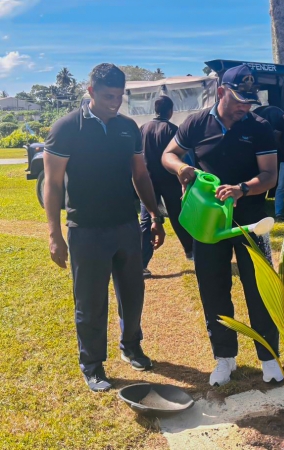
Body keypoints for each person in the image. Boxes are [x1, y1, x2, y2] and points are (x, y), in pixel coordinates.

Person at [43, 63, 165, 392]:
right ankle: (93, 364)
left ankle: (131, 346)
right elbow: (52, 184)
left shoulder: (128, 127)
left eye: (119, 96)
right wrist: (54, 234)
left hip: (126, 225)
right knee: (91, 301)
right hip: (86, 229)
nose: (115, 102)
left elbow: (140, 174)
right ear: (91, 91)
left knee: (133, 294)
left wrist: (154, 215)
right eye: (108, 96)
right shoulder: (67, 128)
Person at [161, 65, 283, 386]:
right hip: (209, 222)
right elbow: (169, 154)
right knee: (213, 287)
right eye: (239, 99)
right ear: (221, 93)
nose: (245, 106)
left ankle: (269, 357)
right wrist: (180, 168)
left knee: (259, 287)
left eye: (249, 100)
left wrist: (242, 189)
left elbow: (269, 175)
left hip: (250, 221)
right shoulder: (197, 123)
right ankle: (224, 357)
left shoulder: (259, 127)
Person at [140, 96, 193, 278]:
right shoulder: (172, 129)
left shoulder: (143, 128)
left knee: (147, 220)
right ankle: (191, 251)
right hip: (170, 180)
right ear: (170, 111)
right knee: (180, 216)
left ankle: (141, 264)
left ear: (155, 110)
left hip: (147, 181)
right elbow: (181, 156)